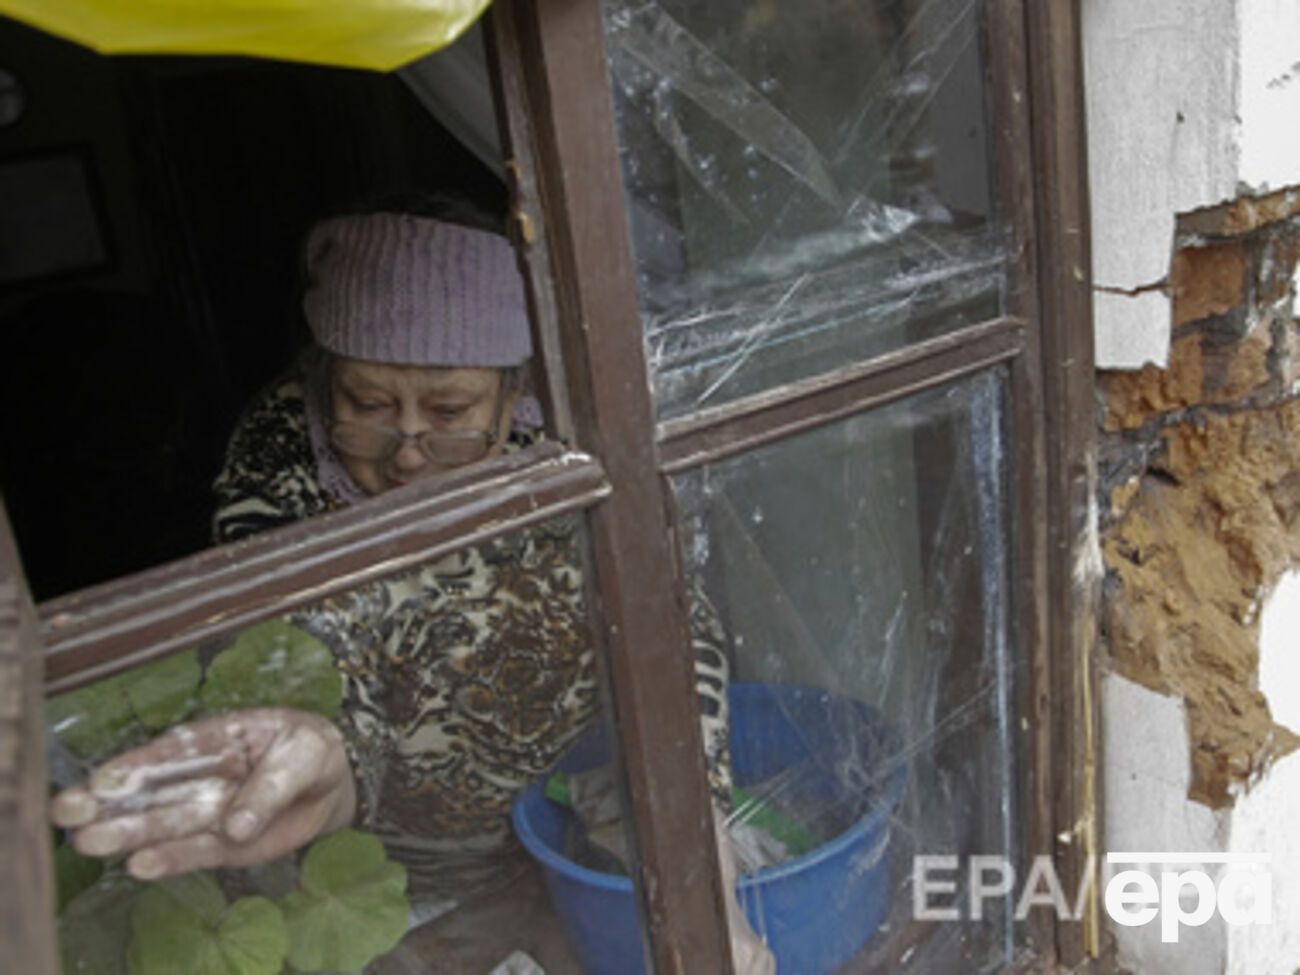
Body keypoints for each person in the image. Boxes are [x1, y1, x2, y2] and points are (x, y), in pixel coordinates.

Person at [50, 202, 772, 971]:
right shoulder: (281, 447)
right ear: (324, 378)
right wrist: (327, 744)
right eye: (367, 405)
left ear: (513, 389)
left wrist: (707, 871)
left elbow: (668, 624)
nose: (408, 455)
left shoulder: (562, 435)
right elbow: (305, 636)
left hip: (567, 826)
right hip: (388, 872)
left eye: (450, 411)